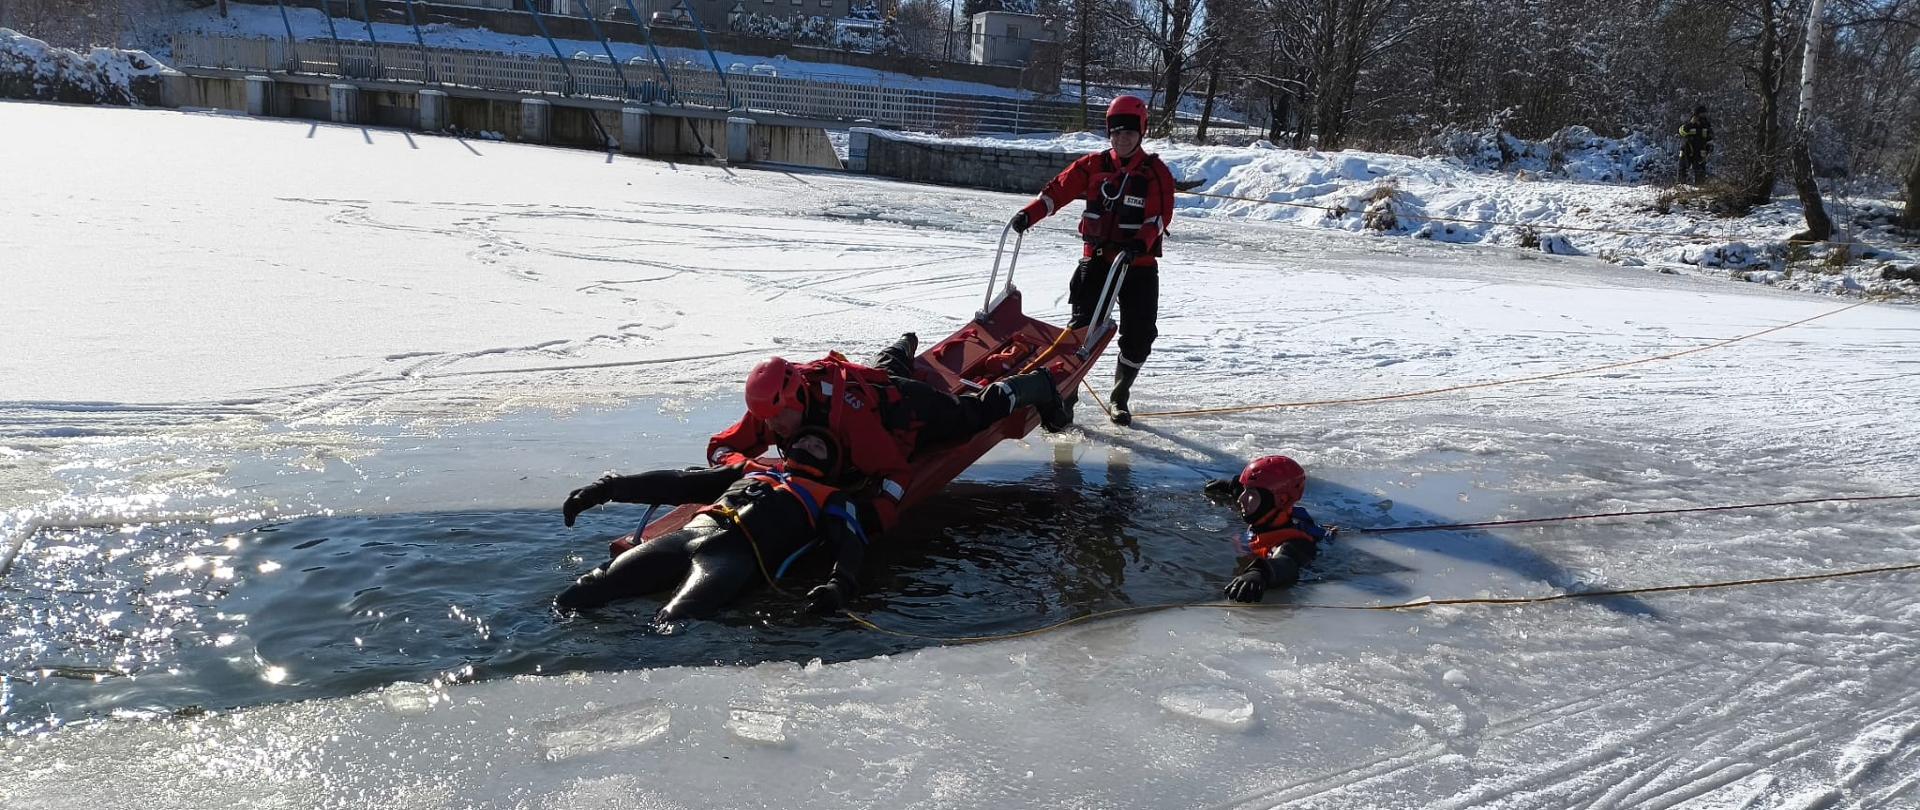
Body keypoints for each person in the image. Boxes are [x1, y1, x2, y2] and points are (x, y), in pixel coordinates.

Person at [706, 335, 1062, 534]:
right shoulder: (772, 406)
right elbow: (721, 447)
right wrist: (742, 468)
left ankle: (1036, 385)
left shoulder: (850, 420)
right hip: (871, 388)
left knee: (971, 415)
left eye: (778, 418)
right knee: (881, 374)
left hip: (906, 411)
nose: (773, 428)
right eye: (766, 419)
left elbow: (895, 473)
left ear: (797, 397)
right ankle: (898, 349)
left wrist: (878, 510)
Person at [556, 427, 867, 620]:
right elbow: (678, 483)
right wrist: (606, 489)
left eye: (819, 447)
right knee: (583, 591)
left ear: (831, 465)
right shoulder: (749, 470)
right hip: (689, 536)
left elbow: (850, 542)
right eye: (806, 440)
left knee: (675, 619)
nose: (809, 446)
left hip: (733, 557)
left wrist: (840, 585)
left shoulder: (833, 498)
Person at [1008, 94, 1178, 427]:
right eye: (1116, 132)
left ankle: (1119, 395)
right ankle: (1065, 398)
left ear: (1141, 132)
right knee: (1080, 331)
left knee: (1140, 335)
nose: (1122, 137)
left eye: (1129, 131)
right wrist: (1029, 215)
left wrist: (1138, 245)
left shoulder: (1156, 173)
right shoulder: (1093, 166)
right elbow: (1057, 191)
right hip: (1097, 261)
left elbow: (1160, 217)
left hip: (1137, 266)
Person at [1201, 455, 1336, 602]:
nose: (1241, 499)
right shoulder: (1265, 511)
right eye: (1244, 490)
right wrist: (1230, 486)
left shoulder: (1296, 544)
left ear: (1282, 500)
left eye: (1250, 493)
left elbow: (1286, 563)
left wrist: (1259, 572)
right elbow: (1255, 495)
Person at [1678, 105, 1714, 185]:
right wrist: (1691, 124)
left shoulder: (1706, 125)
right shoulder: (1688, 123)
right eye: (1701, 114)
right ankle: (1681, 187)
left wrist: (1709, 148)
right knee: (1683, 170)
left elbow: (1710, 138)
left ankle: (1700, 188)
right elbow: (1681, 132)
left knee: (1700, 171)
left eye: (1704, 114)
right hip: (1687, 150)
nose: (1703, 116)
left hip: (1700, 151)